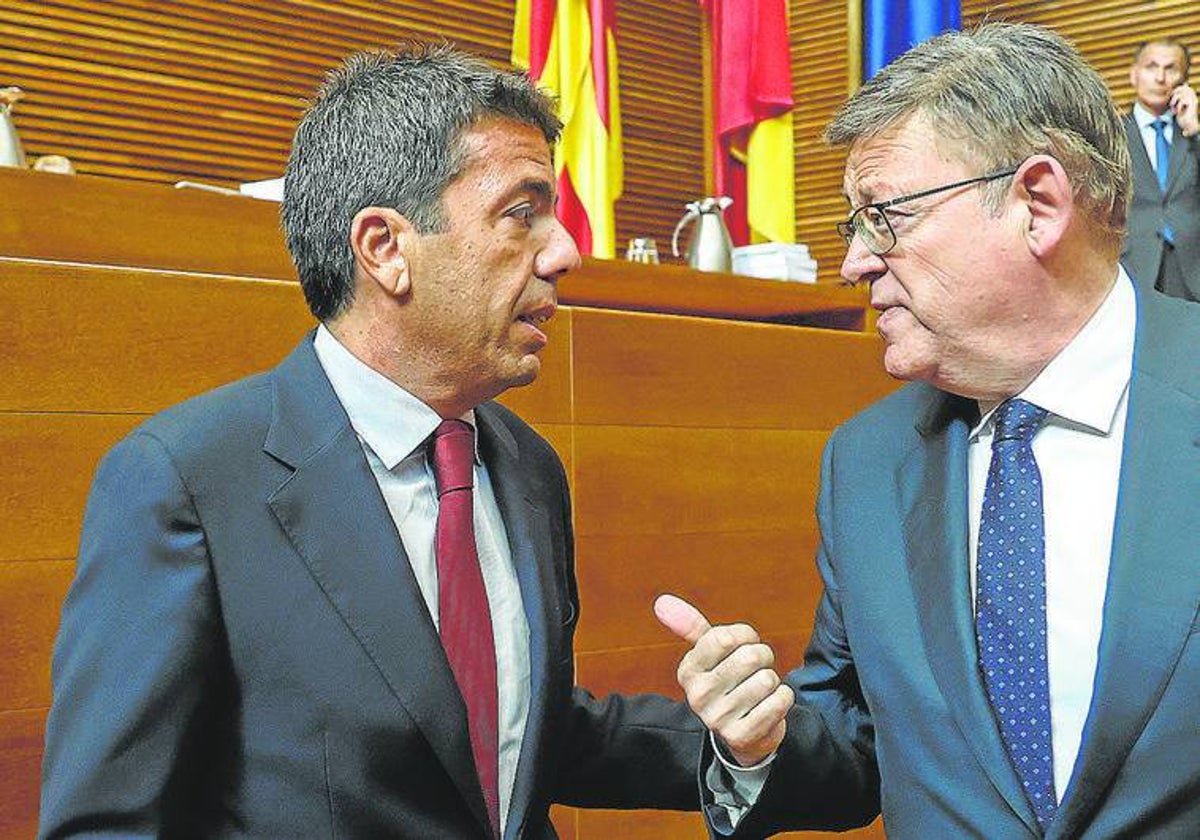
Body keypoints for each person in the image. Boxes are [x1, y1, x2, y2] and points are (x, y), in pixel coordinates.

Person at [39, 44, 702, 839]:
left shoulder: (527, 466)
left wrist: (737, 743)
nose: (564, 252)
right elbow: (109, 824)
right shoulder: (187, 482)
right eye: (522, 213)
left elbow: (505, 736)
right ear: (385, 248)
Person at [657, 22, 1200, 839]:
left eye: (885, 217)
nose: (853, 263)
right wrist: (759, 744)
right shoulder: (866, 463)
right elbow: (859, 748)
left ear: (1038, 204)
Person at [1121, 37, 1200, 301]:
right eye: (1151, 67)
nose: (1160, 77)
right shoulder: (1112, 134)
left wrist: (1193, 129)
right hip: (1136, 266)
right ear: (1134, 75)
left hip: (1194, 266)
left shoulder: (1194, 131)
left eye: (1171, 68)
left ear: (1183, 79)